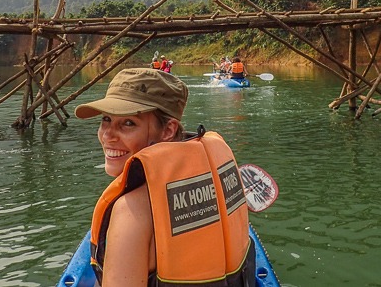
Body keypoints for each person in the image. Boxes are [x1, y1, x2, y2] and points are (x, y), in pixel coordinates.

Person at [74, 68, 254, 286]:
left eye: (128, 123)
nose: (108, 136)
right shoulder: (217, 180)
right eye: (106, 120)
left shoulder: (130, 211)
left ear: (169, 130)